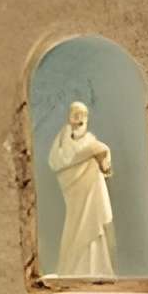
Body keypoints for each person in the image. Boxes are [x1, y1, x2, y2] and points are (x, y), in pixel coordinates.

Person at [45, 99, 115, 278]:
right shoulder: (64, 138)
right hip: (74, 192)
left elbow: (104, 165)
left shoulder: (91, 140)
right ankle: (73, 269)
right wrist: (88, 154)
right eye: (76, 114)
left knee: (94, 224)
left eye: (83, 115)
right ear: (69, 117)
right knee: (76, 226)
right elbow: (57, 162)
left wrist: (100, 159)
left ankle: (96, 269)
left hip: (92, 193)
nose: (80, 119)